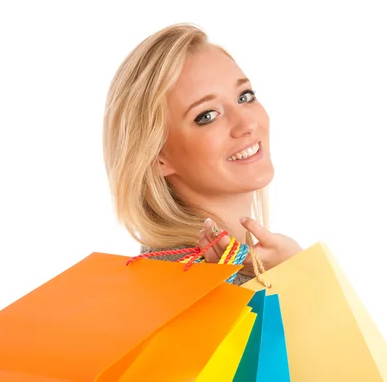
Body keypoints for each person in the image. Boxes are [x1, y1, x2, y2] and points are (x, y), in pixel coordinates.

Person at [102, 23, 302, 285]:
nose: (247, 124)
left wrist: (294, 269)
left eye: (245, 96)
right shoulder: (194, 282)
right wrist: (301, 276)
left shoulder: (253, 270)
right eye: (207, 115)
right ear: (158, 157)